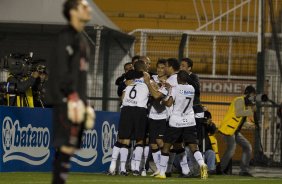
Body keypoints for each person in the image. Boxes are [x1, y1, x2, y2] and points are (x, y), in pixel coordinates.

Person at [49, 1, 95, 183]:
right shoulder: (66, 37)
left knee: (69, 148)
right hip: (67, 101)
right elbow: (60, 71)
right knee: (66, 147)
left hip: (77, 101)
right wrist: (72, 98)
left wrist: (85, 102)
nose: (89, 9)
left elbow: (78, 75)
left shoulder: (82, 39)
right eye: (84, 6)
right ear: (73, 12)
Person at [155, 70, 208, 179]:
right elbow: (182, 93)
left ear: (178, 78)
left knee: (167, 146)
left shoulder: (175, 89)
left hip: (176, 121)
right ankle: (202, 164)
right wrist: (171, 88)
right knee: (193, 146)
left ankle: (161, 173)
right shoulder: (192, 89)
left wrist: (163, 101)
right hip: (189, 121)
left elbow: (169, 103)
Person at [108, 60, 149, 176]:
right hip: (139, 110)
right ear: (144, 68)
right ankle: (136, 168)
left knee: (124, 139)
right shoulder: (147, 80)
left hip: (126, 109)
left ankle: (119, 168)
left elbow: (122, 96)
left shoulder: (128, 82)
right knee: (140, 139)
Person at [219, 85, 257, 176]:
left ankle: (244, 170)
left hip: (234, 131)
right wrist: (252, 110)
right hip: (228, 129)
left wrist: (250, 125)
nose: (253, 97)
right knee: (231, 149)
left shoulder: (246, 105)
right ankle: (220, 169)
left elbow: (240, 120)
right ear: (247, 93)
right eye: (252, 95)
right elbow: (238, 113)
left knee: (247, 147)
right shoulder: (239, 100)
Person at [143, 59, 168, 176]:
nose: (160, 70)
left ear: (166, 69)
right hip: (152, 115)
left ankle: (164, 166)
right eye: (158, 67)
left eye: (162, 68)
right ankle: (159, 169)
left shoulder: (168, 81)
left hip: (163, 116)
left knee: (160, 142)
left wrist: (151, 85)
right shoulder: (153, 78)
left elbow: (157, 96)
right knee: (152, 143)